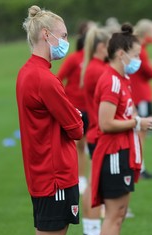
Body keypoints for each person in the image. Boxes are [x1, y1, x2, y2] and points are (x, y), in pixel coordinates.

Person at [16, 5, 83, 235]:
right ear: (46, 34)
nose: (66, 41)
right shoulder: (45, 79)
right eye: (63, 35)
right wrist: (76, 115)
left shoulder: (27, 72)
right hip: (55, 175)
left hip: (42, 171)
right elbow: (76, 129)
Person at [91, 23, 152, 235]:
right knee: (114, 216)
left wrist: (138, 121)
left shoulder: (122, 79)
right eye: (136, 55)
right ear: (121, 54)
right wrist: (137, 122)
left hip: (123, 151)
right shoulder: (111, 81)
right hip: (113, 154)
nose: (139, 60)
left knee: (119, 215)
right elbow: (106, 123)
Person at [80, 26, 111, 235]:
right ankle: (91, 233)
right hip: (98, 134)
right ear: (102, 47)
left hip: (98, 133)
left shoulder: (97, 67)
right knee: (95, 185)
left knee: (97, 185)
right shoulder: (97, 69)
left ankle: (92, 231)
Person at [57, 20, 96, 194]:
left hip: (91, 108)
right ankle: (79, 179)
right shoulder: (74, 59)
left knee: (88, 145)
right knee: (77, 145)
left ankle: (85, 178)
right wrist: (65, 101)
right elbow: (59, 78)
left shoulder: (95, 61)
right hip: (75, 109)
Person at [130, 19, 152, 179]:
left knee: (139, 132)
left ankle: (140, 165)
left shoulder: (140, 47)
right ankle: (139, 167)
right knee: (140, 132)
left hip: (137, 94)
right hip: (139, 95)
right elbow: (150, 72)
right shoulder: (140, 49)